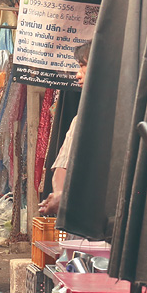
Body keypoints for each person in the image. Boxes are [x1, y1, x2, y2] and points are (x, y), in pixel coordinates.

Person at [40, 41, 90, 216]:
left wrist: (62, 196)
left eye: (82, 66)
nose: (77, 75)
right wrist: (60, 195)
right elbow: (62, 167)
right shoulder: (81, 119)